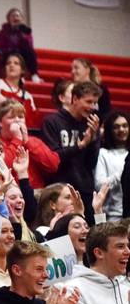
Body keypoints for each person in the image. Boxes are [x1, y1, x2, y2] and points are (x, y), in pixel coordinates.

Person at [41, 81, 102, 223]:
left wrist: (93, 141)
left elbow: (91, 163)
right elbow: (53, 158)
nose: (92, 107)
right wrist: (80, 146)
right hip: (60, 190)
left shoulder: (91, 125)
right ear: (75, 99)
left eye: (95, 103)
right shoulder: (52, 122)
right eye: (88, 102)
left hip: (85, 190)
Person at [0, 99, 59, 189]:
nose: (17, 120)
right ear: (0, 122)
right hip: (8, 193)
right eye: (11, 117)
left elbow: (52, 165)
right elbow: (3, 168)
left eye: (20, 117)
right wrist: (17, 139)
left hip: (36, 193)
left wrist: (27, 142)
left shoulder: (33, 141)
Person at [0, 53, 40, 129]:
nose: (11, 65)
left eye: (16, 63)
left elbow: (32, 123)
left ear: (22, 70)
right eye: (8, 63)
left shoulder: (27, 96)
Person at [95, 111, 129, 220]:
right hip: (112, 215)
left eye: (125, 126)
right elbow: (99, 186)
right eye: (116, 127)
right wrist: (123, 172)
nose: (121, 130)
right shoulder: (103, 153)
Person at [0, 8, 41, 83]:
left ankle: (34, 75)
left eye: (17, 16)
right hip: (7, 54)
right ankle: (18, 76)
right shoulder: (3, 31)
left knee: (30, 52)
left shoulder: (25, 31)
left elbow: (29, 46)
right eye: (13, 16)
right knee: (15, 52)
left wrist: (22, 34)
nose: (15, 18)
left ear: (21, 19)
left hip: (22, 55)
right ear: (9, 19)